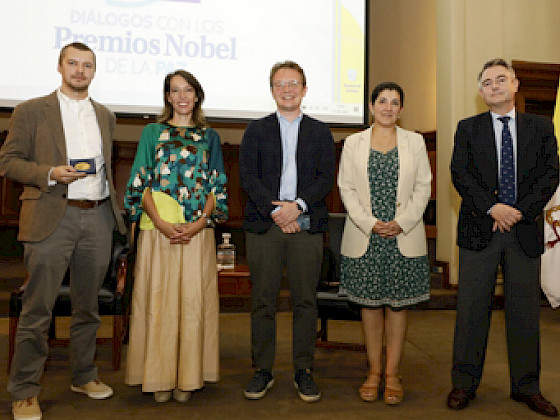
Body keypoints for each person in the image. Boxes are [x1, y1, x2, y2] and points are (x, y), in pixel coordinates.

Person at [0, 42, 126, 420]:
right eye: (73, 63)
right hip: (52, 215)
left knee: (88, 308)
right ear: (60, 67)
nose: (80, 71)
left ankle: (84, 375)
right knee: (38, 310)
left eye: (87, 65)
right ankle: (24, 390)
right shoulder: (30, 110)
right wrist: (50, 174)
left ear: (94, 71)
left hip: (99, 217)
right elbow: (8, 162)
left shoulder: (105, 115)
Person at [448, 58, 560, 417]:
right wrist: (494, 208)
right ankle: (464, 384)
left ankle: (527, 387)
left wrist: (518, 211)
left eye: (501, 79)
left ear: (515, 85)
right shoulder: (467, 128)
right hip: (480, 229)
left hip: (524, 230)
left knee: (525, 312)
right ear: (480, 92)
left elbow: (549, 174)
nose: (494, 86)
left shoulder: (541, 128)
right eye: (487, 82)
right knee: (471, 311)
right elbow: (460, 175)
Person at [124, 70, 228, 403]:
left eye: (188, 90)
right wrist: (161, 222)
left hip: (197, 233)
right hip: (159, 232)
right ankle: (159, 376)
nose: (182, 96)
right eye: (175, 90)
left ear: (197, 96)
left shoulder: (209, 136)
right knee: (159, 303)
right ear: (167, 96)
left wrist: (198, 224)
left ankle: (189, 377)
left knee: (192, 304)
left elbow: (217, 186)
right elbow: (139, 182)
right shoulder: (152, 132)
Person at [239, 61, 335, 403]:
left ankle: (303, 370)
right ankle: (262, 369)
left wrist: (298, 206)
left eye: (293, 83)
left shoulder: (321, 132)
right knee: (262, 300)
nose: (287, 89)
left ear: (305, 90)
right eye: (280, 84)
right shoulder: (256, 130)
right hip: (266, 225)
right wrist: (277, 210)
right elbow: (248, 176)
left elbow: (326, 178)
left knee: (305, 301)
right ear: (272, 91)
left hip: (306, 224)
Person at [337, 82, 432, 405]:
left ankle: (392, 374)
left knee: (398, 306)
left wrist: (401, 223)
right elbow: (346, 188)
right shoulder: (353, 143)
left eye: (394, 102)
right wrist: (370, 223)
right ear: (371, 106)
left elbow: (423, 188)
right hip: (366, 236)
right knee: (370, 306)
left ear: (401, 109)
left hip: (403, 237)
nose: (388, 107)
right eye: (382, 101)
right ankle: (374, 371)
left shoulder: (415, 142)